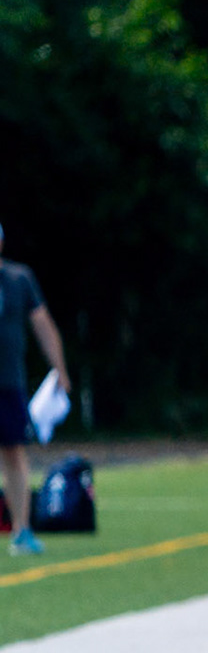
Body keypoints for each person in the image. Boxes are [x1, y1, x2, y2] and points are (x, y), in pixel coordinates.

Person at [0, 223, 71, 556]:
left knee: (14, 453)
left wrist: (59, 369)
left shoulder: (18, 278)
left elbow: (42, 324)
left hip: (8, 382)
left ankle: (21, 530)